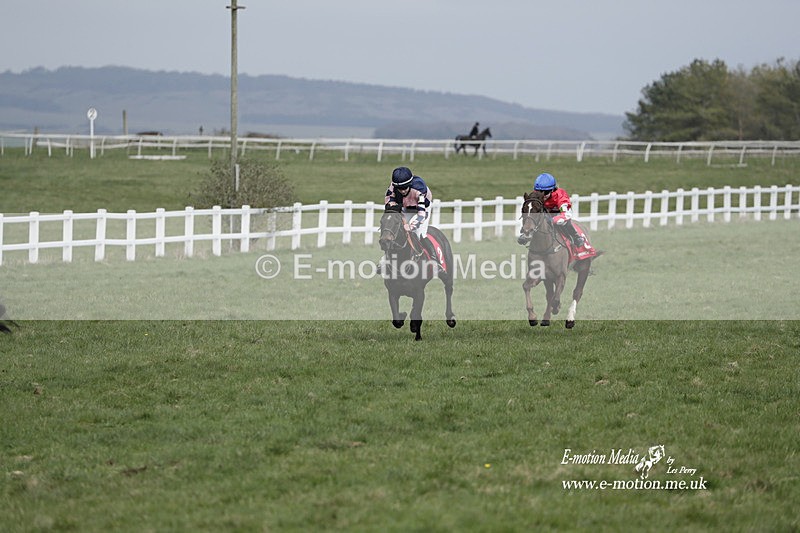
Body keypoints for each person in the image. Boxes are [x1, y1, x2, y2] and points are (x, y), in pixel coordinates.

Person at [525, 172, 590, 249]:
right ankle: (526, 235)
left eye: (545, 192)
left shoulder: (560, 196)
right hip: (546, 214)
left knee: (564, 223)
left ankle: (576, 237)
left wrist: (553, 220)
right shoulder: (535, 196)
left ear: (552, 190)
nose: (542, 195)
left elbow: (566, 215)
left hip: (560, 213)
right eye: (539, 192)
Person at [384, 166, 435, 259]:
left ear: (410, 184)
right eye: (400, 188)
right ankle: (384, 260)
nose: (402, 191)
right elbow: (389, 204)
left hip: (422, 209)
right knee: (394, 234)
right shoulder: (392, 188)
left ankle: (435, 260)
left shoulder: (419, 190)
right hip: (405, 207)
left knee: (419, 234)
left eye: (405, 188)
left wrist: (411, 226)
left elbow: (421, 215)